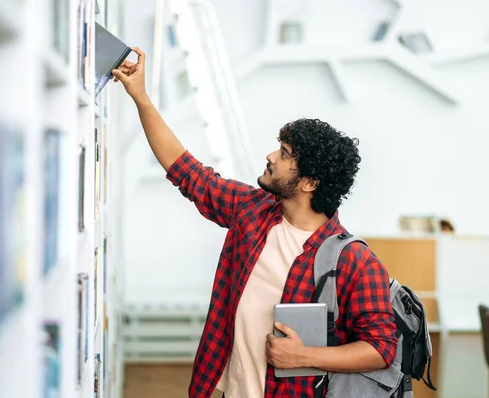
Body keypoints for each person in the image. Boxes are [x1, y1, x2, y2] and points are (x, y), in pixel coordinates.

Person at [112, 48, 398, 398]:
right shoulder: (253, 211)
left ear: (309, 183)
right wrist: (140, 97)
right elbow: (185, 170)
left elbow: (381, 347)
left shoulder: (352, 261)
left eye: (285, 154)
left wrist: (304, 356)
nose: (271, 155)